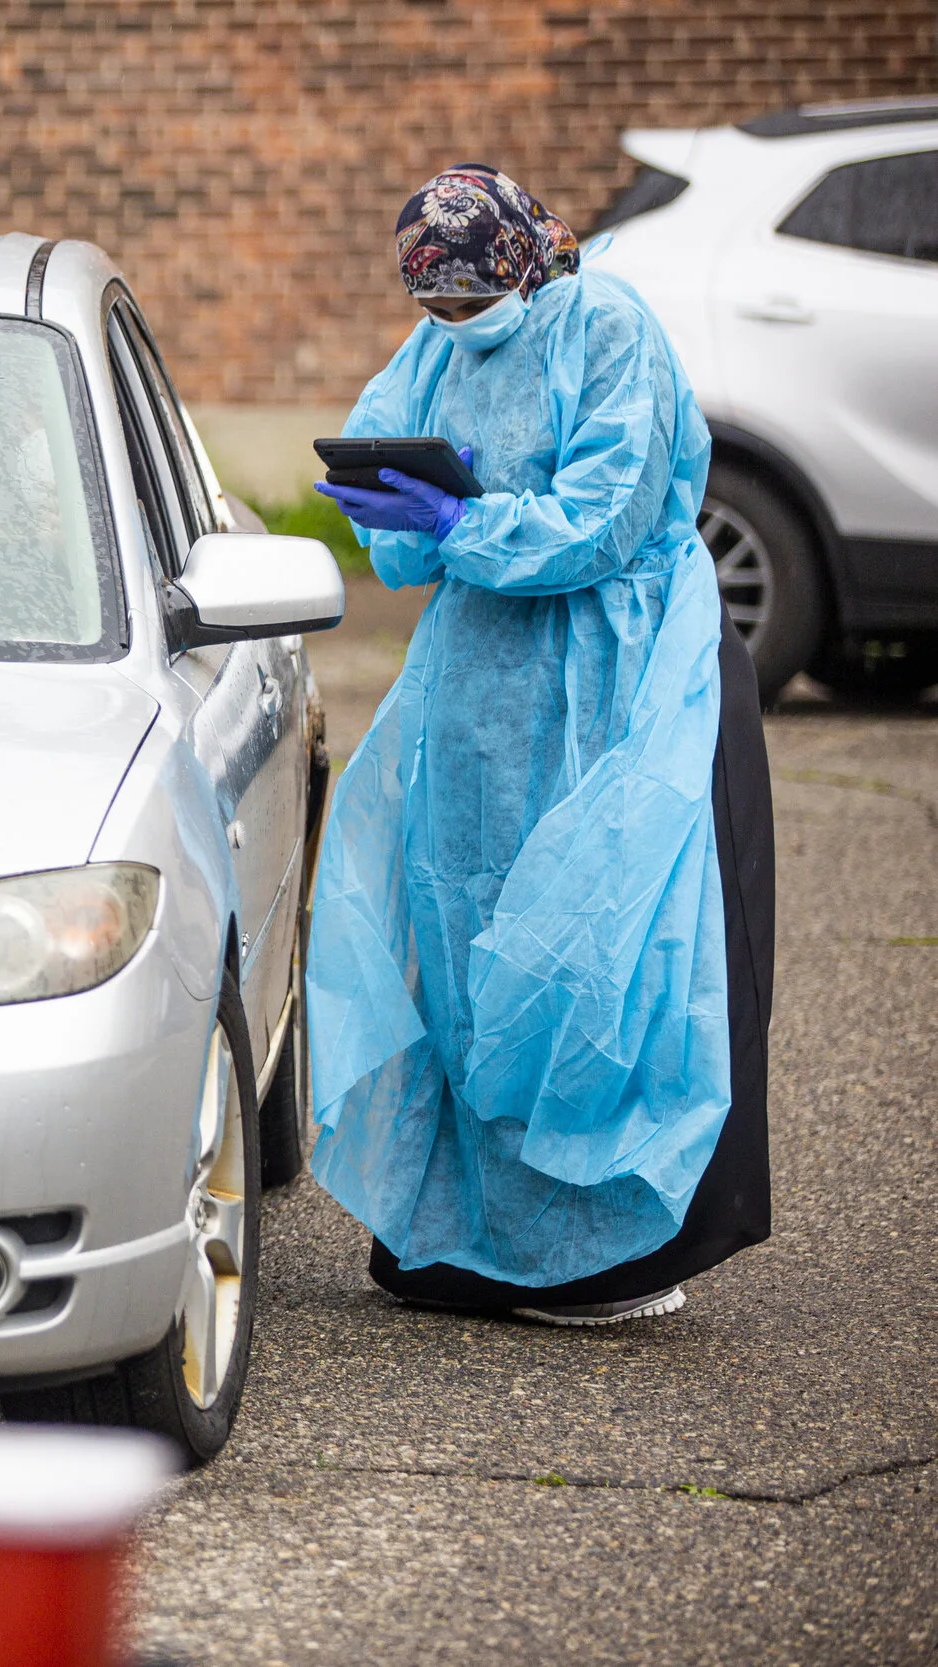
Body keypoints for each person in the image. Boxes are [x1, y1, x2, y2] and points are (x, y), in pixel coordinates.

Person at [308, 163, 773, 1327]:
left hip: (614, 668)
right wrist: (386, 504)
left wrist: (467, 521)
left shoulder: (609, 328)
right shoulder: (438, 344)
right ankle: (470, 1236)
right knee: (465, 933)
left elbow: (608, 521)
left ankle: (601, 1247)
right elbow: (385, 463)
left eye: (471, 302)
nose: (457, 326)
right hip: (475, 683)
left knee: (598, 939)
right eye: (437, 309)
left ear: (521, 259)